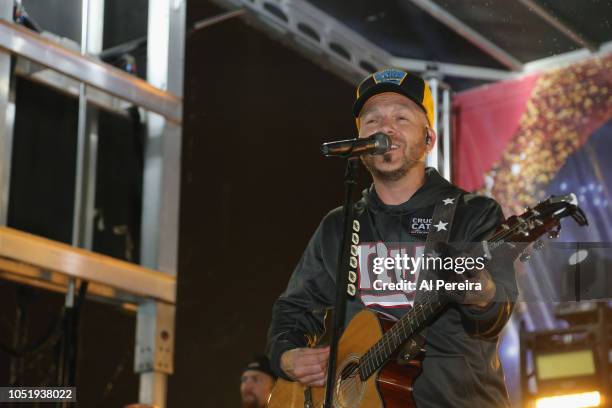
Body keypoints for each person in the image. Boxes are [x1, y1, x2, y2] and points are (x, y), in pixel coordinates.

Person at [266, 68, 518, 407]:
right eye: (372, 121)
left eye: (401, 117)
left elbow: (491, 318)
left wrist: (481, 292)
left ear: (429, 139)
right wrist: (288, 355)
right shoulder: (339, 226)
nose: (385, 128)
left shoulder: (470, 214)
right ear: (359, 143)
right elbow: (293, 309)